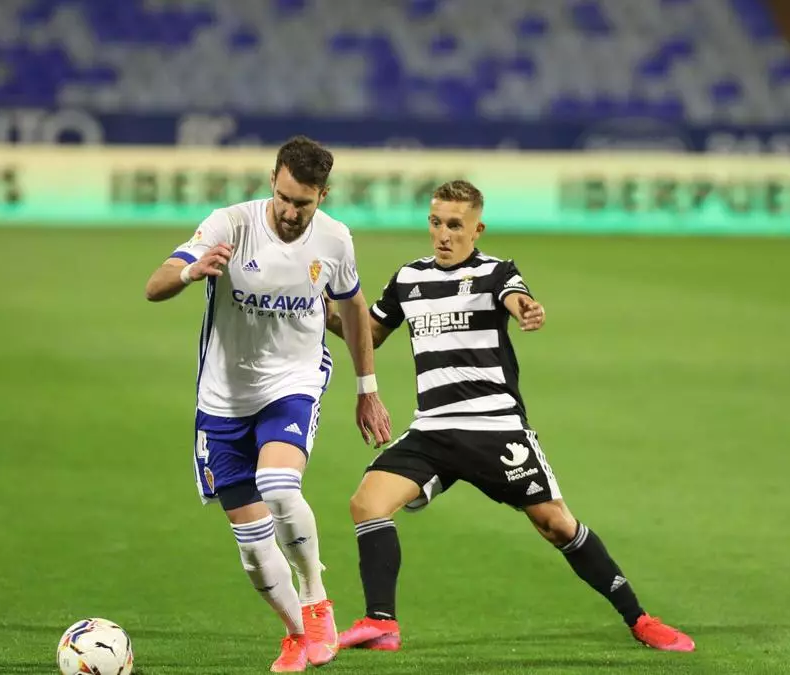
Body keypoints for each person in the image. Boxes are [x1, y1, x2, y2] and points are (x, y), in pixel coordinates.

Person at [323, 179, 696, 654]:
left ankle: (640, 619)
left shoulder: (495, 273)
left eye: (455, 225)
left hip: (494, 428)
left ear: (477, 229)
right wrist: (320, 308)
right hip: (432, 429)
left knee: (556, 524)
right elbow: (370, 334)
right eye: (436, 223)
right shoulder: (408, 278)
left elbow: (515, 297)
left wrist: (526, 310)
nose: (443, 234)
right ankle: (381, 623)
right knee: (367, 503)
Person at [145, 136, 392, 672]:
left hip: (293, 381)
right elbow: (154, 285)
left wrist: (367, 389)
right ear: (271, 183)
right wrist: (190, 271)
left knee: (280, 486)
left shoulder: (334, 239)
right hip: (223, 398)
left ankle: (316, 599)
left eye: (303, 202)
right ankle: (297, 634)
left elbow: (352, 307)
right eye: (283, 197)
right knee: (254, 548)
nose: (290, 212)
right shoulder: (231, 225)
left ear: (323, 195)